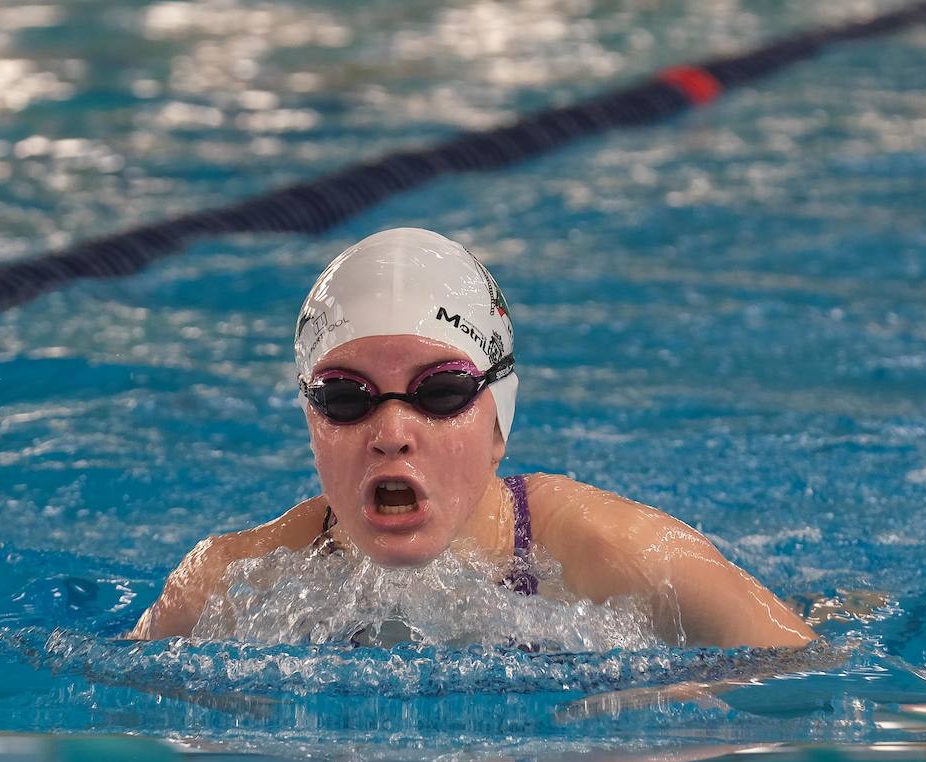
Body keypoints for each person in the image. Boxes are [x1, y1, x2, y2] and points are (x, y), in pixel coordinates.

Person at [132, 227, 816, 649]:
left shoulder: (628, 559)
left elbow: (816, 680)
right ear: (313, 423)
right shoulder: (219, 588)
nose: (392, 433)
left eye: (440, 393)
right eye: (346, 397)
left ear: (497, 423)